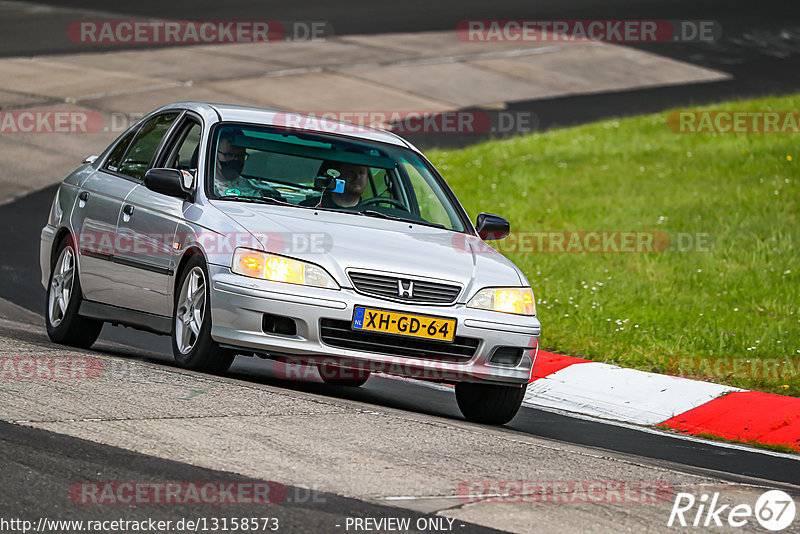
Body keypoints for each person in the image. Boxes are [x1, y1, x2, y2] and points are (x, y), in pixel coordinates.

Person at [304, 161, 370, 209]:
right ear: (337, 176)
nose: (357, 177)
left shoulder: (373, 214)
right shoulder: (309, 207)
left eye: (361, 173)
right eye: (351, 172)